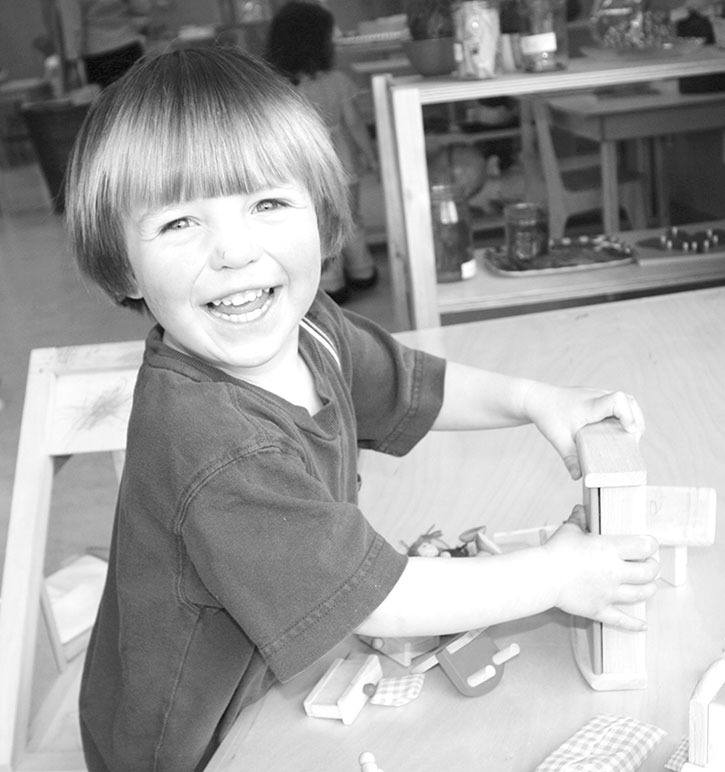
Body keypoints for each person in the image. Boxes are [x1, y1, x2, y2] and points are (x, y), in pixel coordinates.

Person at [64, 47, 659, 771]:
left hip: (283, 675)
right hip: (194, 744)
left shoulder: (309, 325)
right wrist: (556, 575)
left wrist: (536, 400)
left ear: (319, 218)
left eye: (267, 203)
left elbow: (417, 386)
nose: (234, 251)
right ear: (124, 263)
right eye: (180, 222)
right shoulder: (215, 443)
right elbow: (384, 601)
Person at [265, 0, 379, 304]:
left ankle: (331, 282)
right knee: (351, 219)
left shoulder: (277, 89)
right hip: (342, 164)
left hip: (301, 167)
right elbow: (354, 124)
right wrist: (370, 155)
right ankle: (363, 270)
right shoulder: (338, 82)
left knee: (317, 223)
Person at [56, 0, 150, 88]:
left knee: (107, 102)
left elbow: (73, 25)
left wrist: (72, 62)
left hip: (98, 53)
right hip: (129, 44)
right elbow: (142, 7)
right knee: (137, 97)